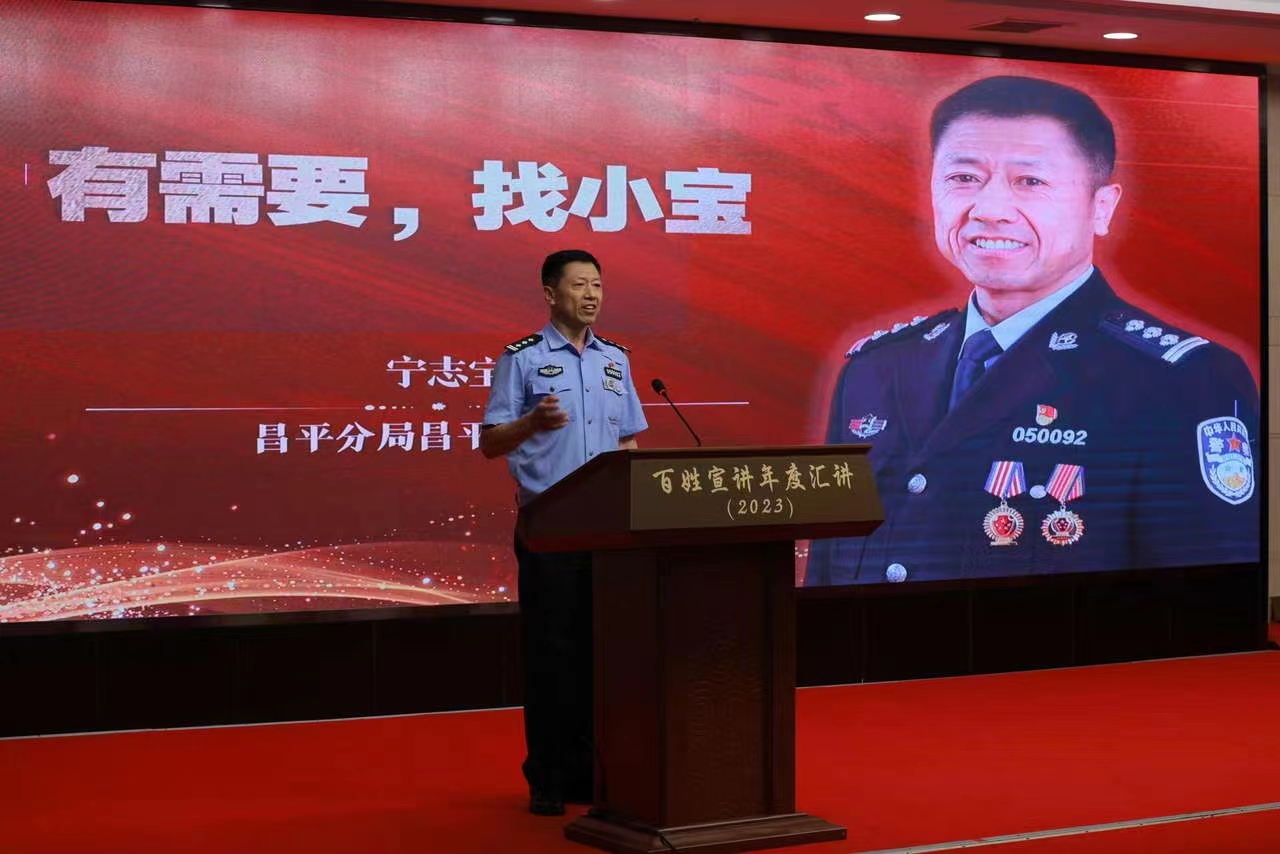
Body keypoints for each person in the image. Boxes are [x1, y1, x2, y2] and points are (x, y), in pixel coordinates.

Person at [806, 75, 1258, 586]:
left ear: (1102, 207)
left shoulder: (1179, 379)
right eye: (964, 178)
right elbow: (829, 574)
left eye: (1030, 182)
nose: (990, 210)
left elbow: (1208, 595)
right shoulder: (876, 368)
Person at [480, 249, 648, 816]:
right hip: (550, 527)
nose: (592, 295)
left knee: (604, 655)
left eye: (597, 284)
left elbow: (628, 441)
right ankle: (548, 777)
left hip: (609, 532)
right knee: (553, 654)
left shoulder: (615, 359)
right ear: (551, 294)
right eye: (579, 285)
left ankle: (592, 772)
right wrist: (532, 422)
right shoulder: (522, 358)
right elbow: (490, 441)